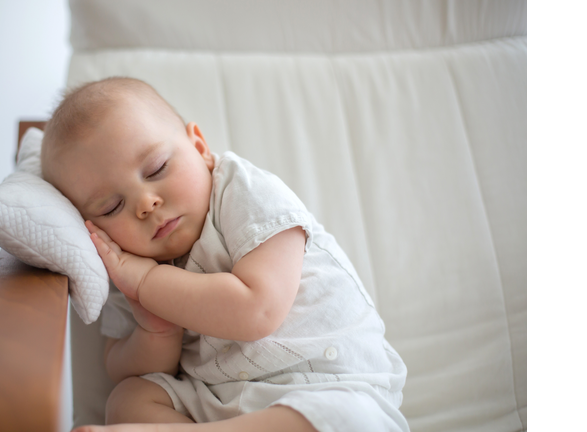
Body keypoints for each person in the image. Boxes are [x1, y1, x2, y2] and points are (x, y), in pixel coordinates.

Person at [41, 77, 409, 432]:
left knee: (354, 420)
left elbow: (257, 309)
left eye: (156, 169)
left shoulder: (244, 192)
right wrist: (156, 329)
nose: (145, 203)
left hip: (325, 383)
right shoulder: (124, 261)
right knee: (127, 399)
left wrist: (150, 283)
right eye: (111, 207)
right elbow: (123, 368)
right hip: (221, 400)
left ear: (200, 148)